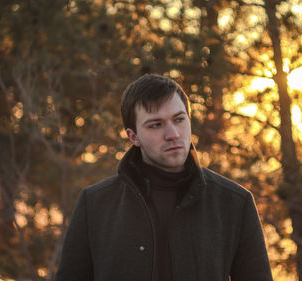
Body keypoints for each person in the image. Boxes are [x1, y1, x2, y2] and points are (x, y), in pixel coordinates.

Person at [55, 74, 273, 281]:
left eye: (179, 120)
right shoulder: (95, 204)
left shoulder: (234, 203)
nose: (173, 134)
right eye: (156, 125)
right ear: (133, 136)